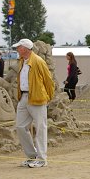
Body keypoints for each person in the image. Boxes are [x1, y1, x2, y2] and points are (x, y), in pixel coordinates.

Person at [14, 38, 55, 168]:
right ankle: (32, 156)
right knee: (20, 126)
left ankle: (42, 158)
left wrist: (48, 97)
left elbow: (48, 80)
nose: (17, 49)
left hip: (37, 98)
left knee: (40, 127)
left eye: (19, 47)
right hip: (24, 97)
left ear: (25, 48)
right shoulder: (22, 61)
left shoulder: (38, 61)